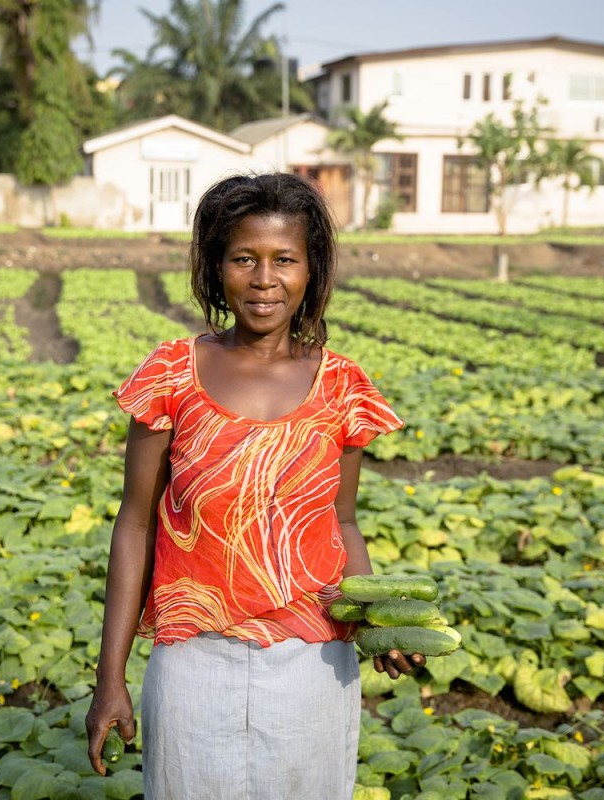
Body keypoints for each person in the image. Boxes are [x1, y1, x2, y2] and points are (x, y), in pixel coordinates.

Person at [84, 171, 421, 798]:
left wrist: (379, 622)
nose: (265, 279)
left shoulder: (341, 386)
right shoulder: (170, 375)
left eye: (285, 259)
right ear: (216, 268)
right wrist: (110, 678)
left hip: (315, 661)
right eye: (244, 258)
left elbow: (342, 522)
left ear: (311, 271)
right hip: (193, 661)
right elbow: (135, 523)